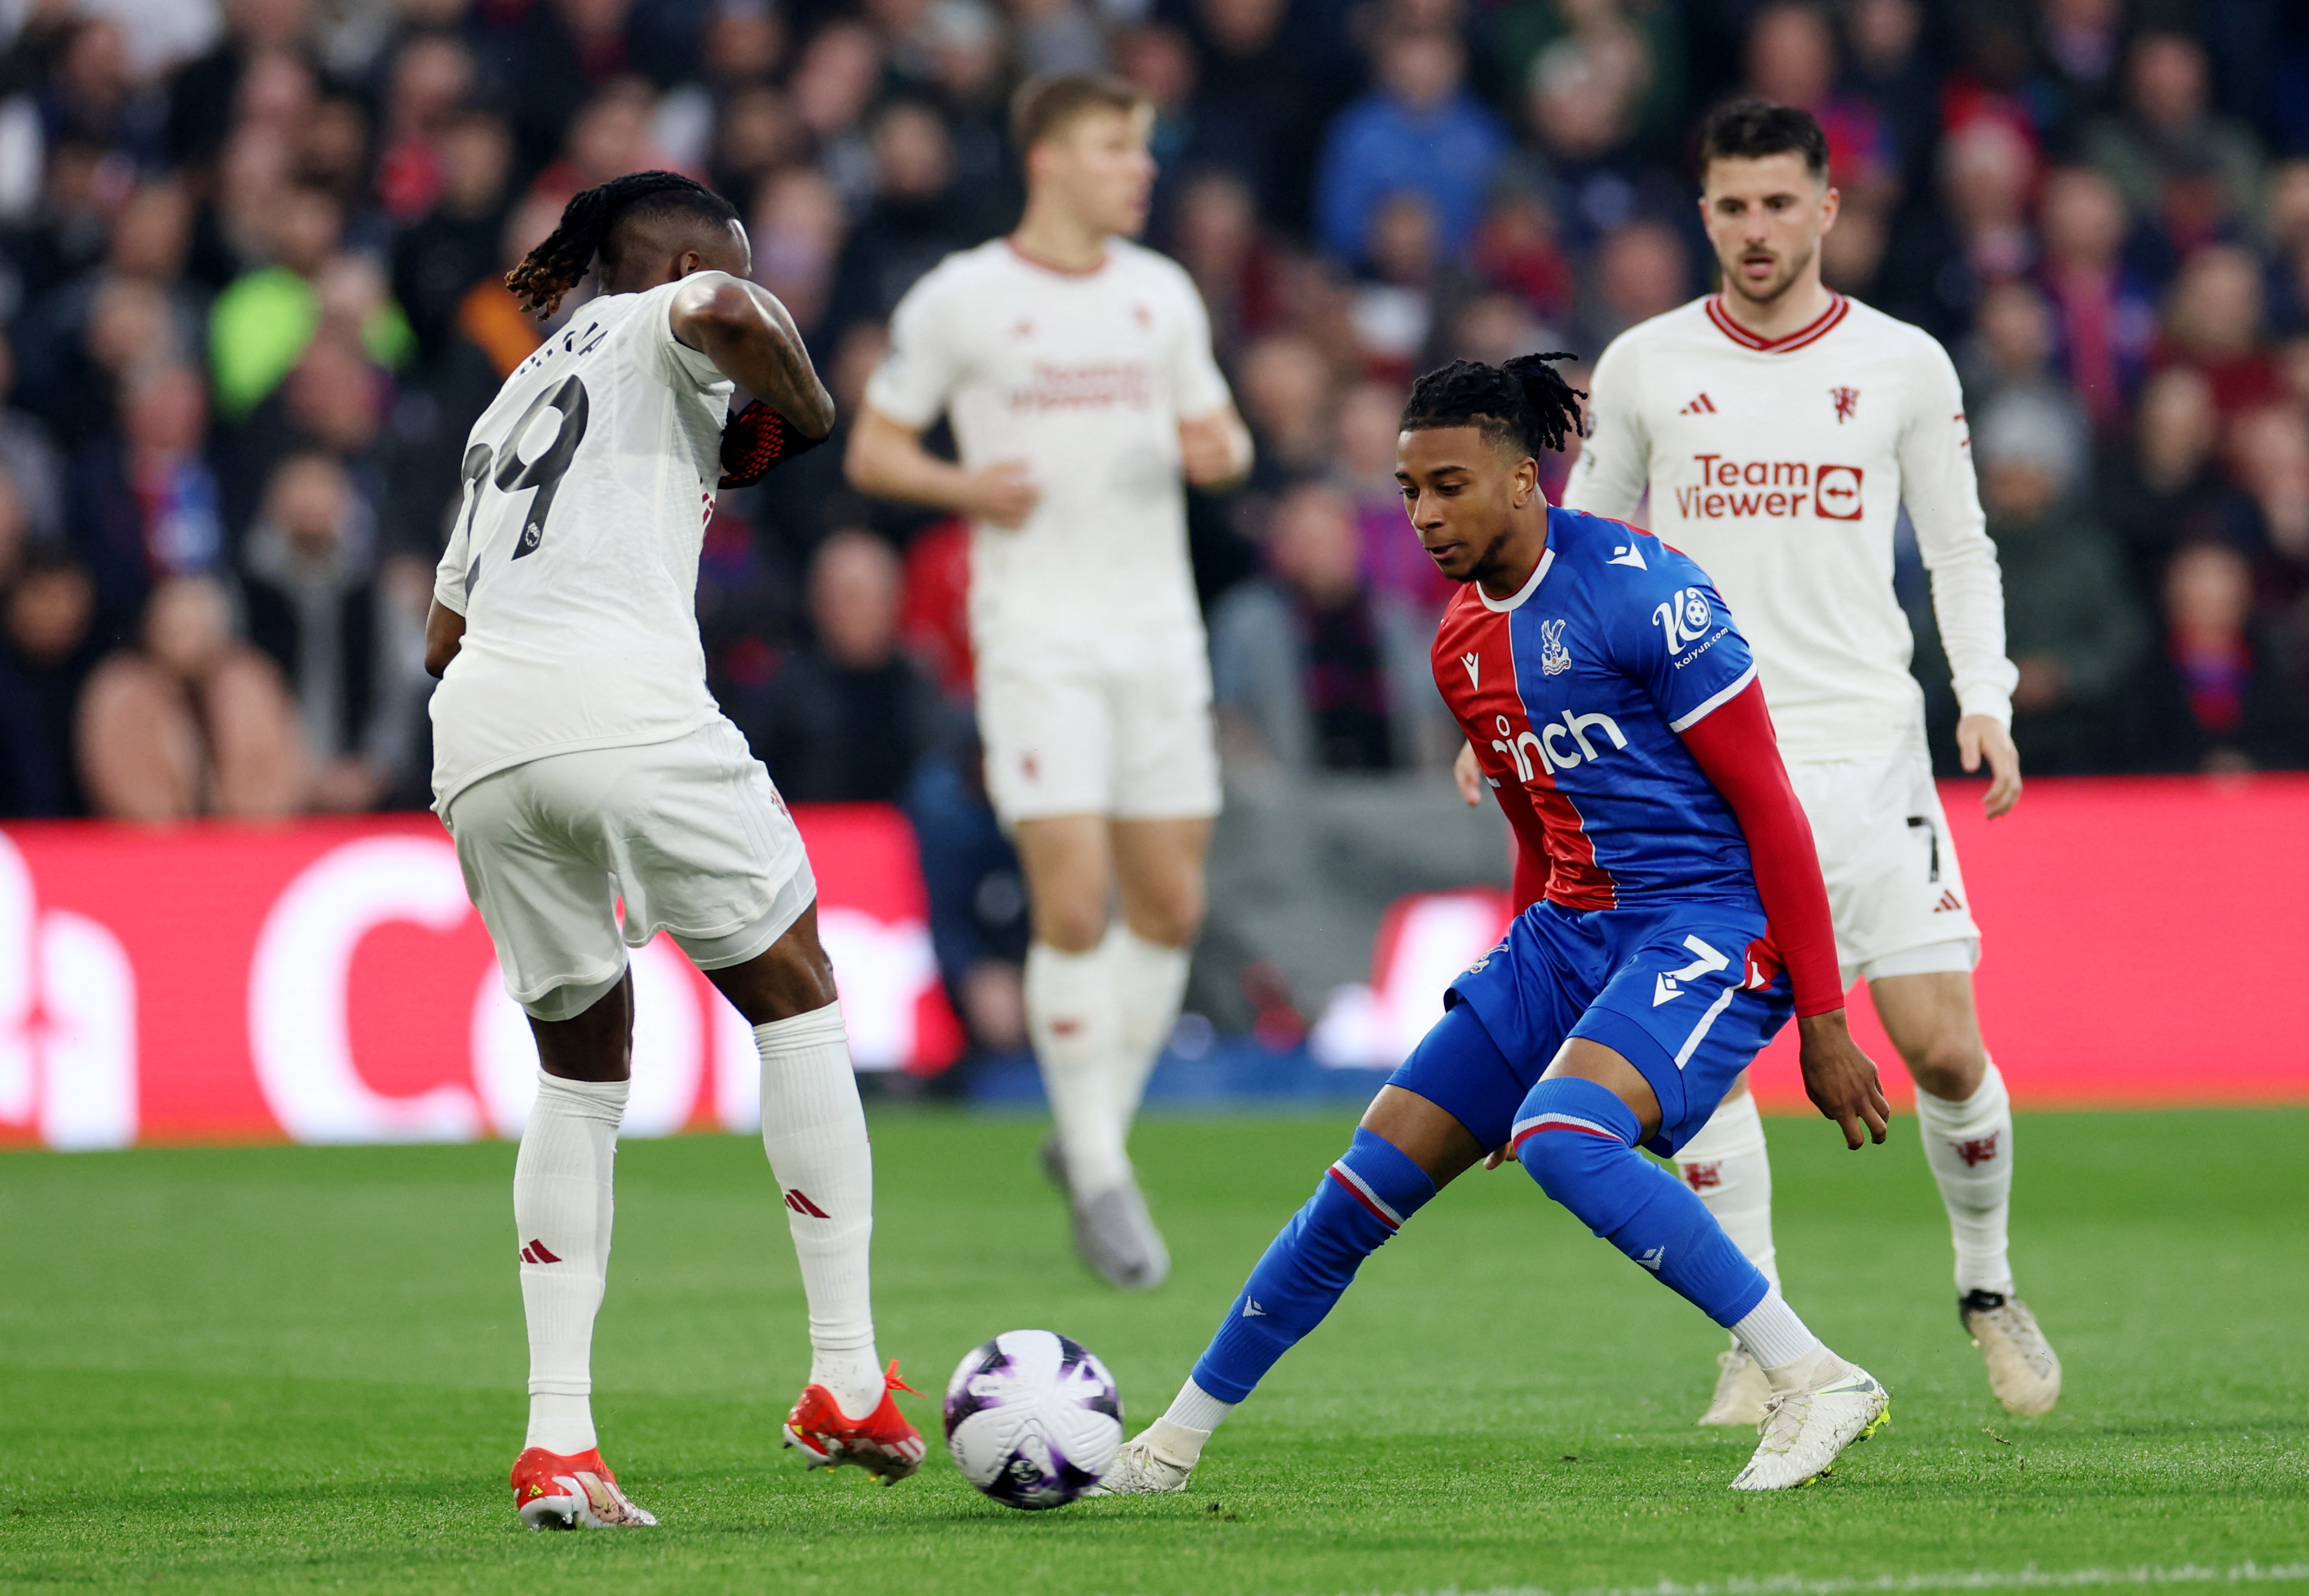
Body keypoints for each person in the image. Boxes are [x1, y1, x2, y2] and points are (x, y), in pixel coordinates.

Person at [1095, 354, 1893, 1499]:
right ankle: (1168, 1447)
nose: (1425, 515)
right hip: (1570, 935)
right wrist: (1535, 1017)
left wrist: (1824, 1016)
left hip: (1707, 922)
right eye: (1412, 490)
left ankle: (1814, 1377)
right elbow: (1540, 833)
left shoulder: (1644, 593)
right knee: (1361, 1186)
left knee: (1568, 1140)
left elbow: (1769, 804)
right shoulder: (1460, 644)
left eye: (1451, 486)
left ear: (1527, 479)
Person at [1542, 101, 2061, 1425]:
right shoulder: (1650, 366)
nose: (1756, 230)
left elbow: (1958, 548)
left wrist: (1985, 699)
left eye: (1780, 204)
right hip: (1696, 762)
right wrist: (1519, 725)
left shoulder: (1902, 364)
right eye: (1732, 206)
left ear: (1827, 208)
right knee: (1702, 1062)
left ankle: (1989, 1288)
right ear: (1702, 213)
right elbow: (1577, 556)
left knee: (1943, 1052)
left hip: (1865, 747)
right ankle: (1762, 1344)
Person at [423, 170, 925, 1531]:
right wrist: (809, 413)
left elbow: (438, 638)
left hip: (478, 738)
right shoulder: (672, 310)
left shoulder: (509, 396)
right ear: (692, 257)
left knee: (580, 1072)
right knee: (799, 993)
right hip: (625, 708)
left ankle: (560, 1441)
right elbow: (721, 307)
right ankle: (843, 1379)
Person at [844, 73, 1253, 1290]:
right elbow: (874, 447)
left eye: (1141, 148)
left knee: (1170, 905)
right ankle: (1103, 1165)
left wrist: (1218, 450)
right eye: (1117, 148)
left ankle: (1087, 1143)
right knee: (1074, 903)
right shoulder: (965, 299)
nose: (1142, 169)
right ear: (1052, 160)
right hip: (1036, 637)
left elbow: (1220, 438)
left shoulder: (1159, 295)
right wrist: (972, 491)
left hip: (1157, 630)